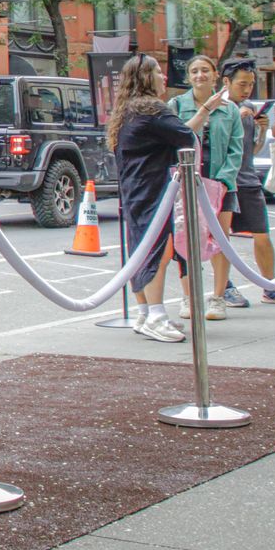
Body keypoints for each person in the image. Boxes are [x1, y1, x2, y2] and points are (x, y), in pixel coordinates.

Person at [108, 53, 194, 343]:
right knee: (157, 249)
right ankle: (156, 315)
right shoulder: (153, 109)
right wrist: (205, 111)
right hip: (154, 187)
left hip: (133, 187)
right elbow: (186, 136)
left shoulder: (127, 110)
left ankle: (145, 311)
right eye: (158, 71)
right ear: (146, 77)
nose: (164, 77)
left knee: (139, 247)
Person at [167, 55, 243, 318]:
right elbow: (174, 140)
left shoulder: (230, 109)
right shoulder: (176, 105)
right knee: (186, 237)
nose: (200, 75)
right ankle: (188, 297)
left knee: (221, 240)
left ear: (215, 75)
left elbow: (236, 148)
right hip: (188, 182)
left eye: (205, 70)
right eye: (194, 71)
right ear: (188, 77)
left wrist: (223, 180)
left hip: (220, 183)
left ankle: (219, 297)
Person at [223, 60, 275, 306]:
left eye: (251, 84)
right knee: (222, 238)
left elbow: (251, 150)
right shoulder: (217, 108)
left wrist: (262, 131)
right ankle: (224, 287)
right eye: (242, 84)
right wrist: (233, 117)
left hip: (247, 177)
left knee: (261, 233)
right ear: (227, 83)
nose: (246, 90)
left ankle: (269, 286)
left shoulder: (246, 108)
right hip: (224, 181)